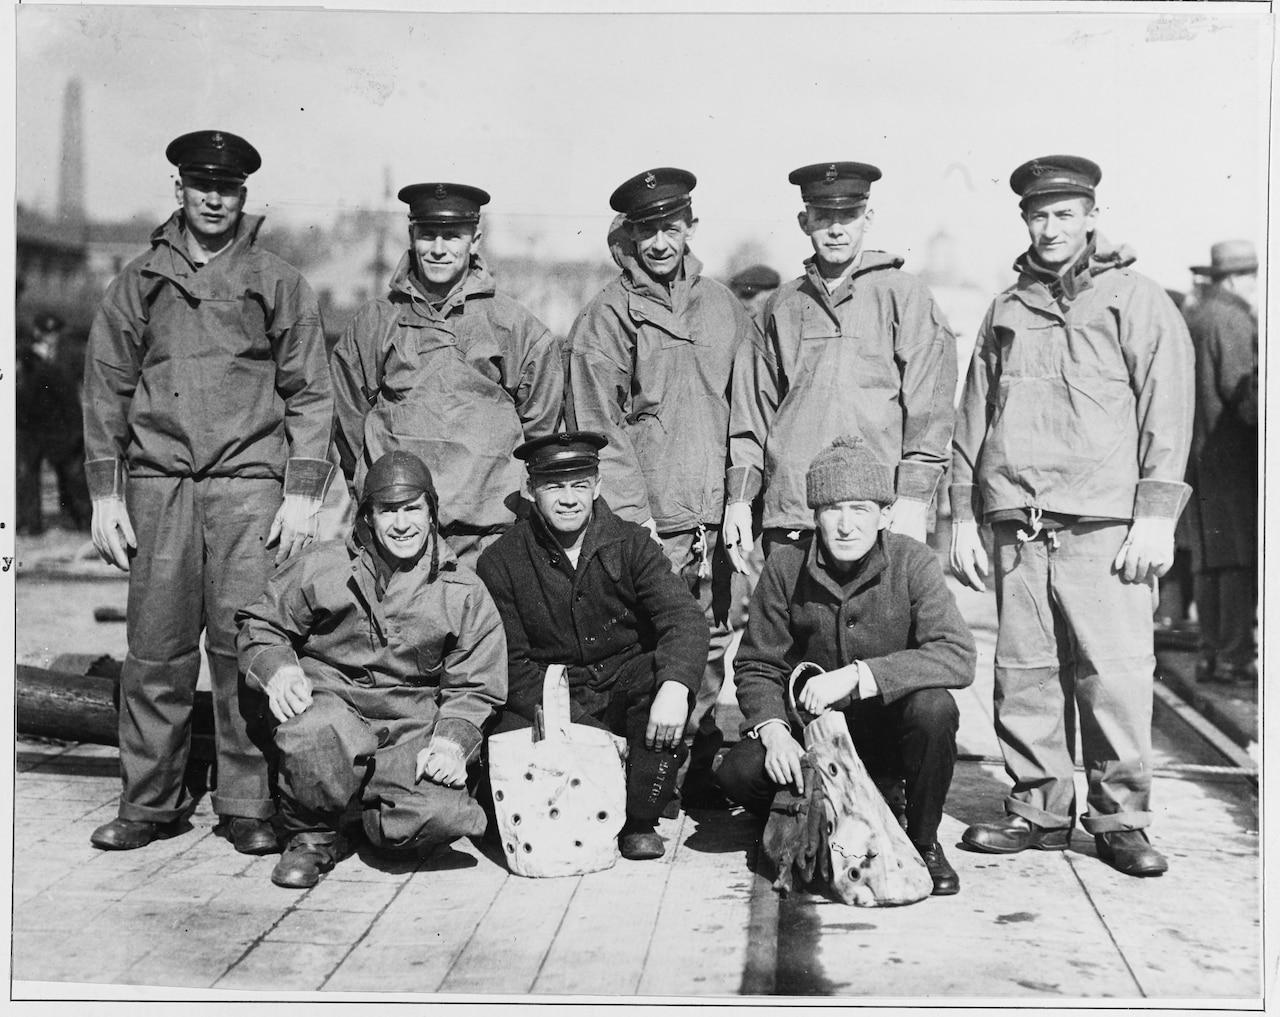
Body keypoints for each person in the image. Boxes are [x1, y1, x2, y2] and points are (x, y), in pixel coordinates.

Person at [83, 131, 335, 854]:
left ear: (244, 195)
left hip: (248, 488)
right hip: (160, 487)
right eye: (201, 185)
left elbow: (311, 390)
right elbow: (106, 388)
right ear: (180, 190)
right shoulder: (137, 281)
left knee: (242, 647)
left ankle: (247, 801)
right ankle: (148, 800)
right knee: (155, 648)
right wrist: (107, 492)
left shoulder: (276, 279)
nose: (214, 198)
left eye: (227, 187)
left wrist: (301, 490)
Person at [949, 155, 1194, 877]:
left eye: (1064, 214)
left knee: (1113, 675)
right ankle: (1039, 808)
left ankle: (1121, 820)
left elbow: (1167, 410)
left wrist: (1156, 513)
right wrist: (963, 516)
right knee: (1024, 671)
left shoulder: (1135, 298)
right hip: (1017, 522)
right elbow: (972, 416)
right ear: (1024, 220)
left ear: (1091, 216)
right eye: (1037, 215)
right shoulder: (1006, 308)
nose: (1050, 227)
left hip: (1104, 524)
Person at [566, 168, 759, 808]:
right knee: (649, 646)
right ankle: (646, 776)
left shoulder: (725, 308)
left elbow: (748, 411)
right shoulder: (606, 317)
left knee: (713, 643)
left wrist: (739, 497)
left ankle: (696, 766)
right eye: (647, 229)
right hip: (650, 524)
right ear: (631, 233)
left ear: (690, 228)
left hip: (715, 519)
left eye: (671, 227)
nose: (659, 242)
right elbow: (597, 424)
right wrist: (631, 519)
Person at [716, 434, 975, 896]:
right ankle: (816, 811)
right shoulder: (785, 566)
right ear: (814, 514)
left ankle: (922, 840)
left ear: (884, 515)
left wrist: (860, 676)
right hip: (813, 742)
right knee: (738, 771)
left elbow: (956, 654)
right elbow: (757, 663)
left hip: (888, 737)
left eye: (860, 509)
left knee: (935, 709)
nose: (846, 525)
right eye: (833, 509)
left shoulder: (913, 562)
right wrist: (774, 731)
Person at [236, 451, 507, 888]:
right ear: (368, 516)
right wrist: (279, 670)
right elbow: (261, 623)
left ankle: (362, 819)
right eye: (388, 511)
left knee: (444, 818)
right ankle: (312, 836)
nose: (402, 524)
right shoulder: (324, 565)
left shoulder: (463, 589)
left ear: (432, 512)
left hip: (409, 723)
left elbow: (476, 683)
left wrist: (452, 743)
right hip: (335, 705)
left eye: (412, 509)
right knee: (314, 732)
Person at [475, 431, 710, 859]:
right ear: (531, 490)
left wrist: (676, 688)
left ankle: (640, 819)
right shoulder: (500, 561)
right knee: (508, 743)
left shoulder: (632, 543)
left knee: (662, 681)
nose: (569, 499)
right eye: (553, 486)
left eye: (579, 485)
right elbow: (513, 663)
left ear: (597, 485)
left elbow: (684, 618)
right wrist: (587, 734)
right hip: (552, 698)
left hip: (624, 688)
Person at [723, 161, 957, 572]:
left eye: (847, 216)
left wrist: (914, 499)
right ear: (804, 220)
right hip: (793, 513)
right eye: (822, 217)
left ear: (867, 218)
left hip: (875, 515)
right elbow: (750, 415)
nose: (835, 229)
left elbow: (931, 410)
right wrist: (740, 500)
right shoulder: (781, 306)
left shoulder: (904, 296)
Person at [331, 181, 563, 570]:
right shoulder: (375, 322)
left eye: (452, 236)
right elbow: (351, 422)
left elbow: (541, 428)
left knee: (487, 629)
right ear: (411, 235)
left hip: (490, 535)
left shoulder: (515, 326)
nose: (438, 249)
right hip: (399, 530)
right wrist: (379, 496)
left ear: (475, 240)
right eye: (427, 235)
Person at [1182, 240, 1259, 684]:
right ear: (1235, 278)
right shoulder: (1230, 317)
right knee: (1236, 560)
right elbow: (1242, 393)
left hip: (1198, 458)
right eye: (1251, 276)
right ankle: (1233, 657)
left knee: (1208, 559)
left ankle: (1211, 652)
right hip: (1231, 457)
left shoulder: (1195, 315)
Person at [17, 311, 91, 534]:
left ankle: (83, 521)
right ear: (38, 332)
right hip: (32, 425)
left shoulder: (71, 354)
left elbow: (76, 385)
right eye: (46, 332)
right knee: (26, 475)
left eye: (55, 332)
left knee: (73, 475)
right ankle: (31, 524)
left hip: (64, 424)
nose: (51, 337)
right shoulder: (25, 354)